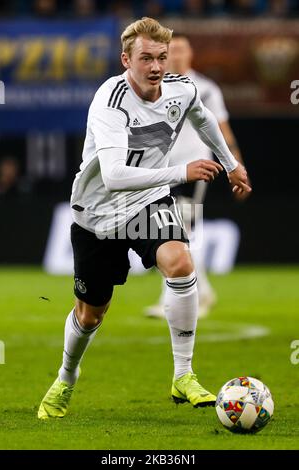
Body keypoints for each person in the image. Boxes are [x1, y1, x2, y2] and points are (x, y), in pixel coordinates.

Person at [38, 17, 251, 419]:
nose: (156, 67)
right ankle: (66, 375)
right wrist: (182, 172)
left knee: (180, 261)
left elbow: (203, 118)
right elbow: (116, 176)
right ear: (126, 60)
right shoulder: (110, 101)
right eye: (146, 58)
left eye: (161, 57)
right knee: (90, 313)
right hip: (99, 213)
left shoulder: (180, 88)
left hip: (148, 202)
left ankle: (183, 374)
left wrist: (231, 164)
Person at [144, 35, 250, 319]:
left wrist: (235, 165)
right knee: (162, 233)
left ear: (190, 55)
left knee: (177, 232)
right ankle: (202, 292)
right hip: (161, 171)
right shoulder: (156, 87)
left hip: (195, 170)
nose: (176, 55)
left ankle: (174, 299)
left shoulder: (205, 89)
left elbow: (222, 129)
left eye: (180, 50)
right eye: (171, 51)